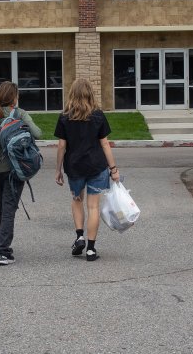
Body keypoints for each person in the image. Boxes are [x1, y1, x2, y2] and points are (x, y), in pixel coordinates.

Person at [54, 78, 120, 262]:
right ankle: (91, 249)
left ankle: (79, 237)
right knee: (93, 207)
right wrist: (113, 169)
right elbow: (105, 144)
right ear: (90, 94)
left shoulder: (65, 117)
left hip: (74, 167)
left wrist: (58, 169)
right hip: (97, 166)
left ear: (72, 94)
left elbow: (61, 146)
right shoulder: (98, 115)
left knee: (77, 200)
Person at [0, 81, 42, 266]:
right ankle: (3, 252)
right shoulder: (19, 114)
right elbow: (37, 133)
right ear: (14, 97)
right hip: (14, 169)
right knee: (9, 208)